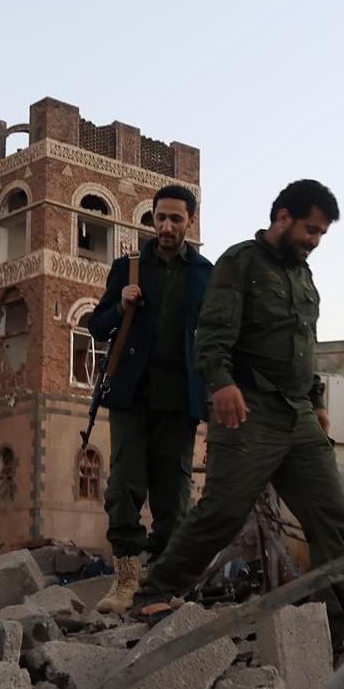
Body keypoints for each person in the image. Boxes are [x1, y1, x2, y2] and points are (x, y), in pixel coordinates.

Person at [132, 179, 344, 619]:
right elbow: (211, 335)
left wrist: (318, 400)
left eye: (321, 234)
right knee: (223, 512)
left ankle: (331, 622)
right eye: (310, 230)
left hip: (299, 414)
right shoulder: (240, 263)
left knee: (332, 516)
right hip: (249, 409)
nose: (314, 241)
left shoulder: (302, 276)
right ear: (283, 218)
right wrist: (221, 384)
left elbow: (305, 343)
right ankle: (154, 592)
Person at [87, 184, 214, 613]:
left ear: (190, 223)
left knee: (174, 492)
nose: (166, 226)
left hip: (180, 399)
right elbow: (96, 326)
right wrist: (120, 306)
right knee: (124, 486)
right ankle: (125, 579)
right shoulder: (129, 268)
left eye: (176, 219)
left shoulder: (205, 274)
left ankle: (163, 582)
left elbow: (216, 338)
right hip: (132, 394)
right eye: (160, 217)